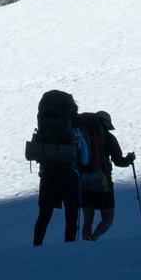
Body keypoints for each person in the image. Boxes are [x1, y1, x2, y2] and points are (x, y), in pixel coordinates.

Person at [29, 89, 91, 245]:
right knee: (71, 215)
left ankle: (37, 244)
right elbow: (84, 158)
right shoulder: (75, 129)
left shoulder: (43, 126)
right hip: (69, 175)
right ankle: (69, 245)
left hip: (47, 175)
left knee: (44, 214)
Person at [78, 109, 136, 240]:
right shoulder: (108, 137)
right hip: (102, 182)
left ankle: (86, 243)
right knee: (108, 218)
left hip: (83, 182)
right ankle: (94, 239)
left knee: (87, 220)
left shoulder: (81, 135)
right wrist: (129, 159)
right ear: (107, 123)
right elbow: (119, 161)